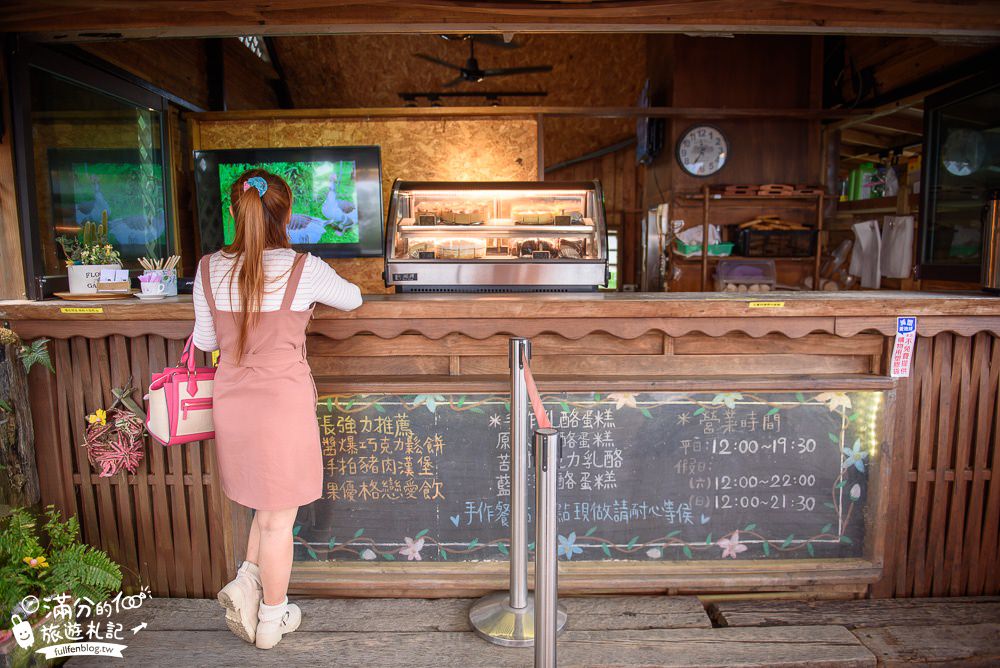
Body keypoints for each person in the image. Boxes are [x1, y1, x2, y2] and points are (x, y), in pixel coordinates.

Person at [192, 169, 362, 649]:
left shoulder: (207, 268)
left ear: (234, 211)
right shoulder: (302, 267)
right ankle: (271, 619)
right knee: (277, 520)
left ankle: (247, 581)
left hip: (233, 403)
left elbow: (206, 341)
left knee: (263, 506)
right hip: (282, 402)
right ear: (286, 215)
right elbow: (353, 299)